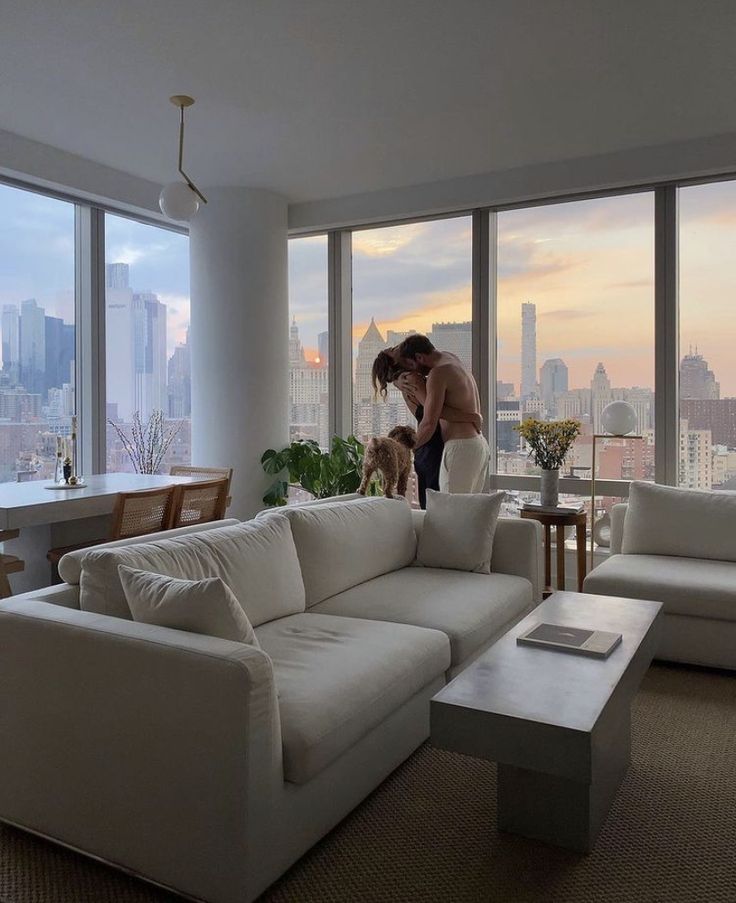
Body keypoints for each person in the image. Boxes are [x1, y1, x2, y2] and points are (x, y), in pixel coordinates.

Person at [371, 349, 481, 508]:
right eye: (394, 351)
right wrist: (472, 417)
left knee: (432, 506)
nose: (399, 349)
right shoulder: (413, 380)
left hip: (426, 450)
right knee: (441, 507)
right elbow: (436, 413)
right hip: (434, 450)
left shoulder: (405, 383)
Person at [395, 334, 490, 494]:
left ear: (419, 357)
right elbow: (443, 410)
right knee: (467, 511)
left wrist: (406, 449)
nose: (414, 373)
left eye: (412, 366)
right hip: (477, 444)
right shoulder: (452, 359)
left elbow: (429, 423)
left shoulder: (438, 374)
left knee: (450, 511)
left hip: (460, 448)